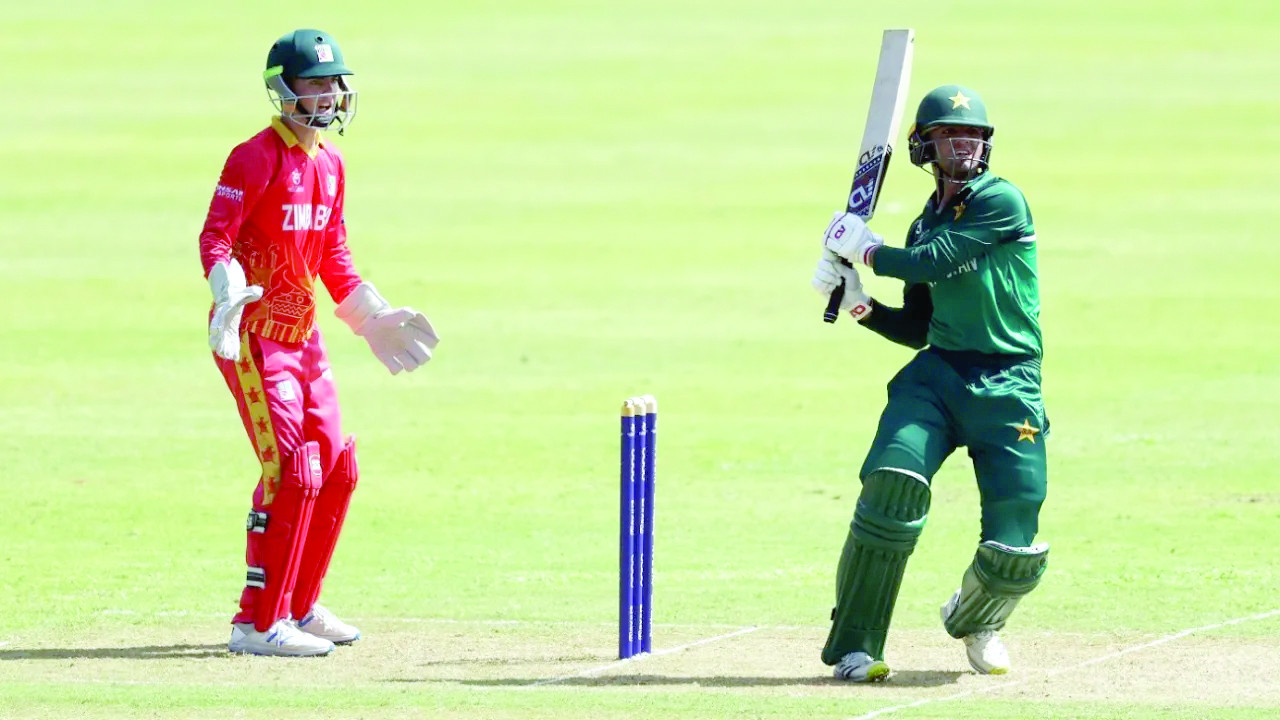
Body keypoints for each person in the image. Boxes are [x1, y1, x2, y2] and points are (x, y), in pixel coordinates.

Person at [199, 28, 440, 656]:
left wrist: (373, 317)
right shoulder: (253, 158)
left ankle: (299, 610)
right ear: (282, 91)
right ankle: (256, 623)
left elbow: (332, 254)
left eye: (334, 83)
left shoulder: (330, 164)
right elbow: (215, 238)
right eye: (314, 84)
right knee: (289, 470)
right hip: (254, 337)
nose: (329, 95)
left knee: (335, 465)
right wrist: (228, 294)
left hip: (303, 338)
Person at [810, 85, 1050, 681]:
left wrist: (865, 248)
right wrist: (860, 305)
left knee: (1015, 549)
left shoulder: (1002, 201)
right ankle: (855, 648)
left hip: (1009, 383)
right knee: (892, 489)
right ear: (924, 146)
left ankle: (979, 620)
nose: (964, 146)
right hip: (938, 377)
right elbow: (918, 327)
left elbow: (931, 264)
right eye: (950, 136)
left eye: (973, 136)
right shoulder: (922, 225)